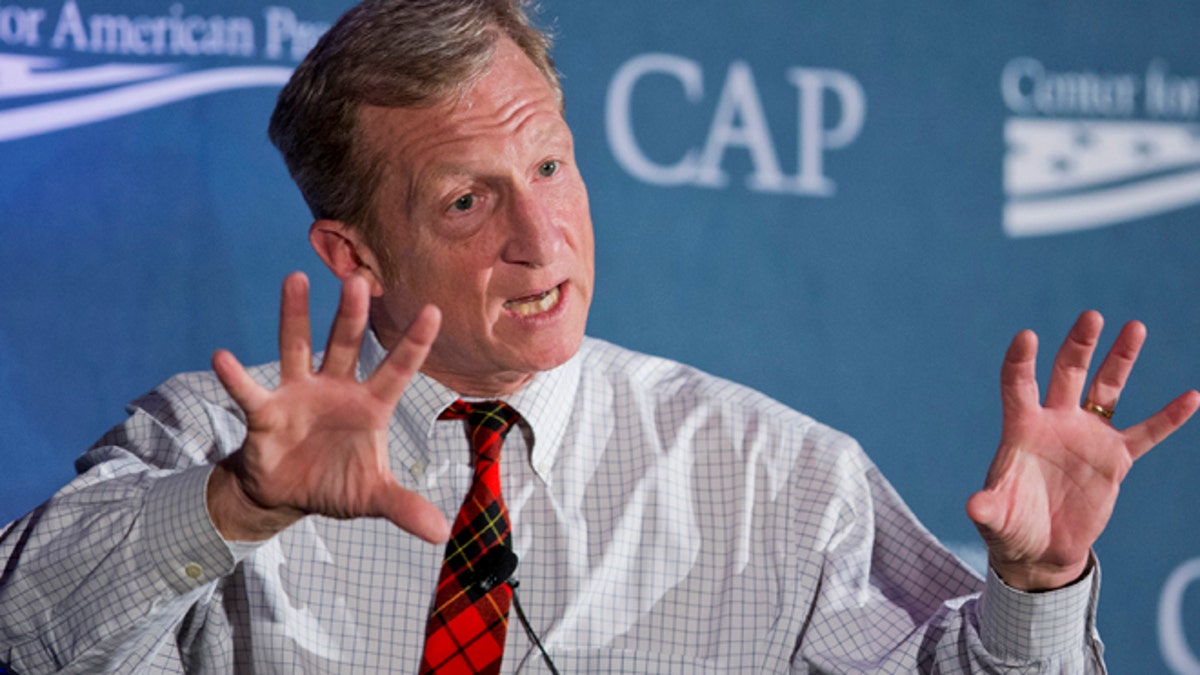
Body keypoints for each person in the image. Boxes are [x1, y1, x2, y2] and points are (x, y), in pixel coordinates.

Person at [2, 0, 1197, 672]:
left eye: (551, 165)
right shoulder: (225, 437)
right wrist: (240, 507)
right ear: (353, 256)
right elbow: (26, 629)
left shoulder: (775, 480)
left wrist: (1036, 589)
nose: (543, 237)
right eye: (468, 201)